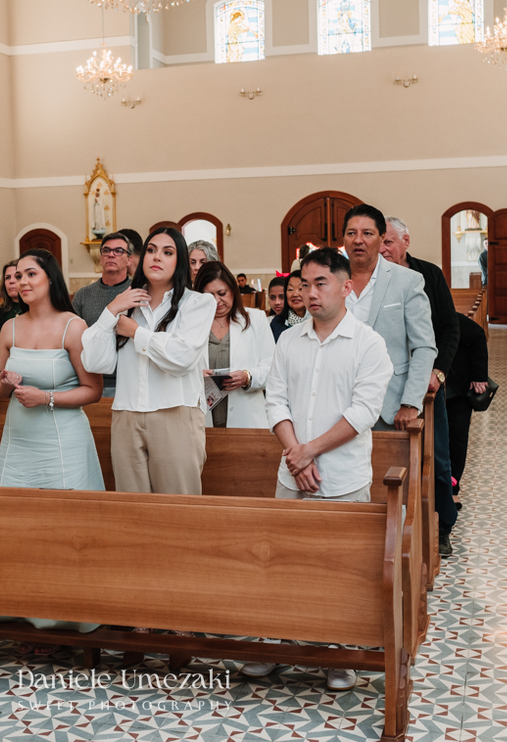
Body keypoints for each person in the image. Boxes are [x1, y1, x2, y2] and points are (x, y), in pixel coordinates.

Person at [241, 246, 393, 684]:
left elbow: (364, 411)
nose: (309, 292)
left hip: (342, 477)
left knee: (338, 569)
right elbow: (276, 400)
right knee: (282, 564)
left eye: (320, 283)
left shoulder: (368, 344)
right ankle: (276, 643)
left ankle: (338, 651)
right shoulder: (290, 339)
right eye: (304, 284)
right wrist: (296, 453)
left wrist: (311, 451)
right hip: (292, 473)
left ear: (346, 288)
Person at [0, 249, 104, 652]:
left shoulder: (73, 326)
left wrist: (46, 397)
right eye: (16, 276)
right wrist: (3, 380)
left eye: (31, 274)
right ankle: (22, 609)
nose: (22, 281)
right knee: (19, 522)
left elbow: (93, 390)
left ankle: (68, 613)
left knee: (63, 525)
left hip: (61, 438)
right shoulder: (9, 328)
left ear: (50, 278)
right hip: (19, 437)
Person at [81, 227, 216, 495]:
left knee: (178, 506)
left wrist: (136, 333)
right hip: (126, 414)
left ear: (179, 262)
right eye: (152, 250)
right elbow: (95, 362)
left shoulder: (198, 302)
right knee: (132, 507)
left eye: (168, 252)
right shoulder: (126, 303)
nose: (157, 257)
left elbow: (181, 357)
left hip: (175, 412)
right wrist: (111, 311)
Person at [381, 217, 460, 558]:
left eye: (387, 242)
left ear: (405, 242)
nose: (382, 249)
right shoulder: (368, 281)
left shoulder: (427, 275)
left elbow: (449, 329)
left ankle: (443, 526)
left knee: (436, 458)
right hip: (385, 387)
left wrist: (438, 371)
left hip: (425, 386)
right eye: (377, 242)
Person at [340, 204, 436, 446]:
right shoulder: (330, 280)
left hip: (390, 406)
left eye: (367, 233)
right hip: (338, 403)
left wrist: (410, 403)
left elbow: (424, 347)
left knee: (391, 478)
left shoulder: (407, 281)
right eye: (351, 233)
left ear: (381, 238)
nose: (358, 240)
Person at [194, 261, 275, 429]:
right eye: (209, 296)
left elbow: (273, 369)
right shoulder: (192, 324)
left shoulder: (256, 319)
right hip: (202, 420)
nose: (217, 301)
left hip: (246, 418)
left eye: (222, 293)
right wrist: (194, 376)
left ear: (233, 289)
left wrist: (248, 377)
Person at [71, 232, 134, 397]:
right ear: (100, 258)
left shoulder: (138, 291)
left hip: (129, 379)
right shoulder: (83, 294)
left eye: (118, 251)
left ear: (129, 259)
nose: (111, 254)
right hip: (91, 378)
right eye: (106, 250)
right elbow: (71, 337)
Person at [447, 313, 489, 503]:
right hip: (428, 390)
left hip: (457, 389)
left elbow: (478, 335)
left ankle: (453, 489)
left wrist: (479, 376)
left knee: (457, 438)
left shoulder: (449, 318)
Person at [269, 270, 308, 343]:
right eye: (290, 289)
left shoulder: (317, 322)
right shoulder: (277, 322)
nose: (295, 294)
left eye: (300, 289)